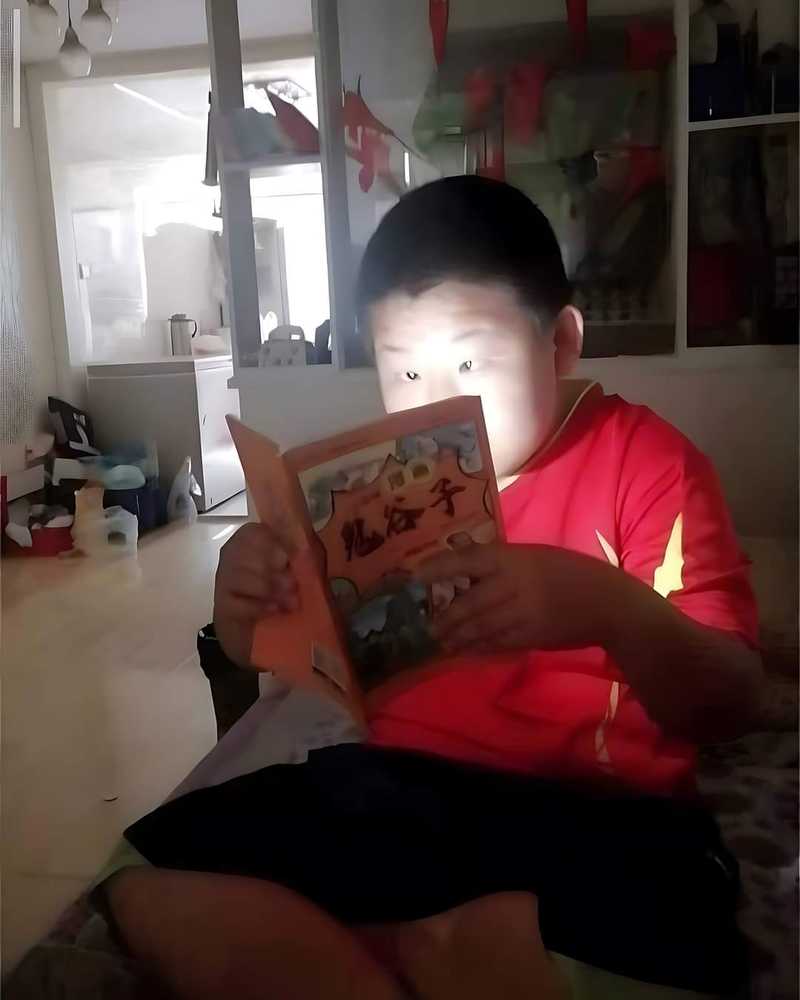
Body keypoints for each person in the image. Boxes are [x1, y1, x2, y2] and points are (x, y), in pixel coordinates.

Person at [104, 177, 764, 1000]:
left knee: (666, 926)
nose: (438, 402)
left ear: (561, 343)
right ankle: (423, 954)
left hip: (595, 811)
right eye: (407, 371)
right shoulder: (366, 489)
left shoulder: (649, 465)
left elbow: (733, 702)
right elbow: (268, 654)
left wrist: (605, 607)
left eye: (469, 361)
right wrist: (242, 604)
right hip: (401, 793)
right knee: (143, 872)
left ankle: (430, 944)